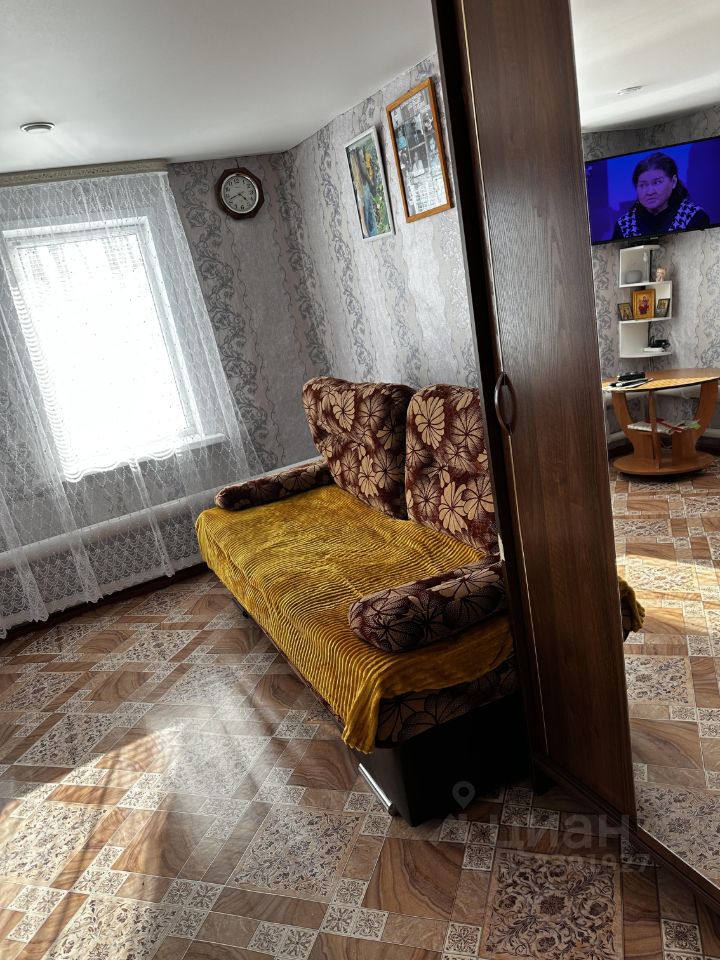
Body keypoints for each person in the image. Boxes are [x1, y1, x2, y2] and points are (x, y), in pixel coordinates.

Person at [612, 152, 710, 240]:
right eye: (643, 185)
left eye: (657, 182)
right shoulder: (624, 225)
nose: (650, 192)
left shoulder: (693, 216)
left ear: (673, 181)